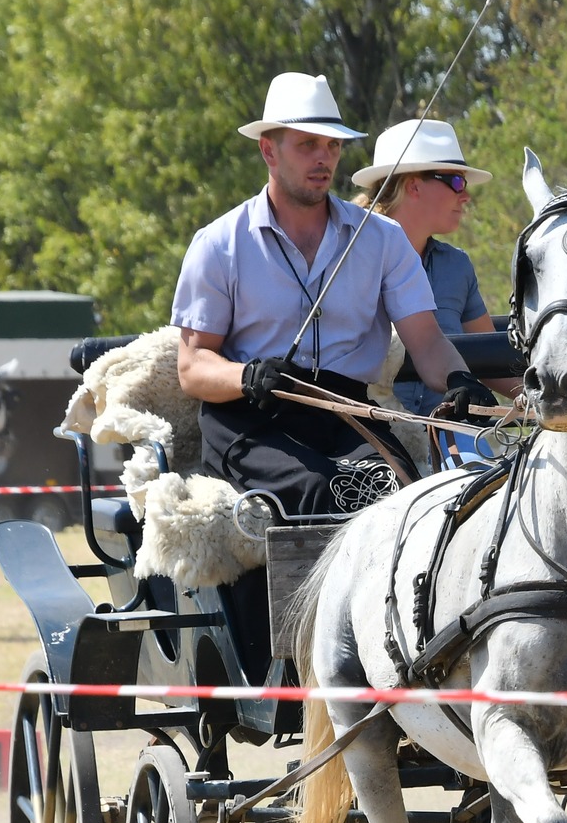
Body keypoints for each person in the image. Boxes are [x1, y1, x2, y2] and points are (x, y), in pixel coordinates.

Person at [172, 72, 479, 519]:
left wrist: (459, 380)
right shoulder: (219, 244)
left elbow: (428, 342)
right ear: (268, 150)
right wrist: (246, 376)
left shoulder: (383, 239)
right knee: (320, 491)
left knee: (400, 496)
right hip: (251, 418)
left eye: (333, 146)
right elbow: (192, 366)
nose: (324, 158)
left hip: (346, 413)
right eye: (308, 145)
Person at [351, 118, 506, 464]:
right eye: (456, 181)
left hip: (450, 434)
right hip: (368, 433)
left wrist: (561, 395)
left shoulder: (457, 267)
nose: (466, 195)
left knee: (488, 482)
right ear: (413, 186)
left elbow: (491, 362)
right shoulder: (345, 259)